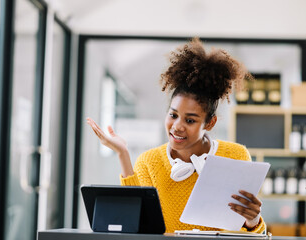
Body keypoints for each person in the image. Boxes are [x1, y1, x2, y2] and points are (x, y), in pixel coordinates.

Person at [87, 37, 266, 233]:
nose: (177, 127)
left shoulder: (236, 156)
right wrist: (122, 153)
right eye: (173, 115)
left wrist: (253, 221)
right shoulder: (149, 162)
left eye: (190, 120)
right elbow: (134, 227)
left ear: (210, 123)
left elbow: (247, 233)